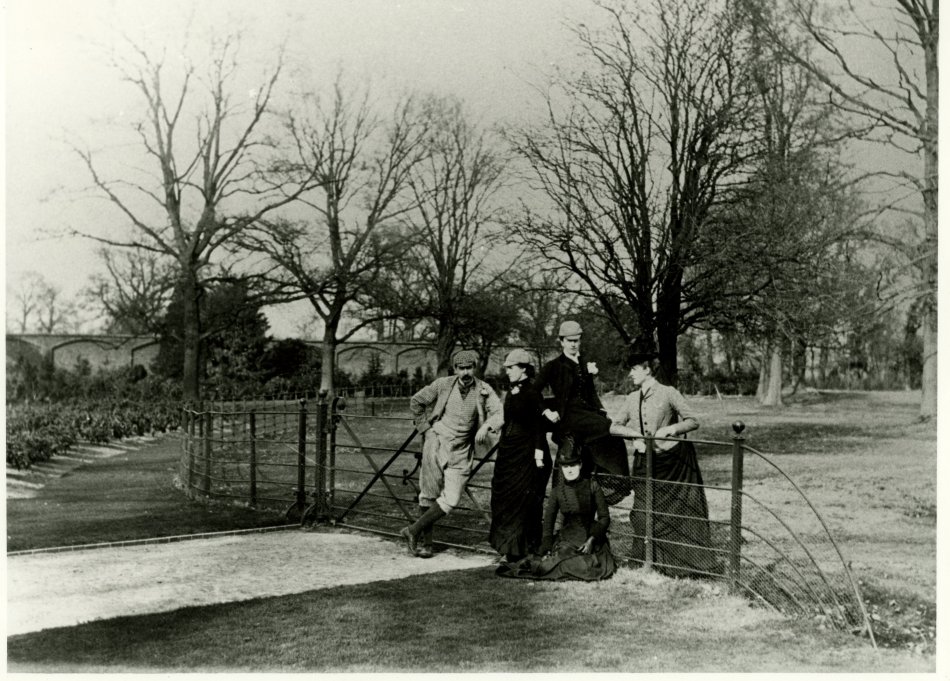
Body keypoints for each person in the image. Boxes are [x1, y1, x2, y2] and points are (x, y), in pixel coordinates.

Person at [614, 337, 718, 577]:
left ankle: (678, 562)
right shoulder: (631, 398)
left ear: (647, 370)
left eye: (634, 369)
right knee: (641, 512)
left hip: (670, 464)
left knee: (675, 512)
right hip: (643, 463)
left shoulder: (669, 393)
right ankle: (645, 559)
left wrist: (671, 429)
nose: (630, 374)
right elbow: (614, 426)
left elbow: (693, 420)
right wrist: (635, 436)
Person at [402, 349, 503, 558]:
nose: (465, 372)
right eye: (461, 368)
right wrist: (426, 430)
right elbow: (416, 401)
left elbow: (499, 412)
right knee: (428, 493)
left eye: (469, 368)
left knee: (452, 497)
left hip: (461, 450)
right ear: (455, 369)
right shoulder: (443, 384)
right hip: (436, 443)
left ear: (474, 368)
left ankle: (412, 530)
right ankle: (426, 545)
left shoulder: (484, 389)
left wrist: (486, 427)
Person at [534, 320, 638, 494]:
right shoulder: (553, 366)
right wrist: (546, 410)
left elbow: (590, 393)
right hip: (567, 415)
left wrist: (602, 409)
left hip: (586, 413)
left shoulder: (584, 363)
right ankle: (616, 481)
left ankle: (611, 480)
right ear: (562, 342)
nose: (574, 344)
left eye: (577, 340)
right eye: (570, 341)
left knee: (611, 428)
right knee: (608, 428)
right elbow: (533, 392)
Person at [495, 446, 616, 581]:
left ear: (580, 465)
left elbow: (604, 518)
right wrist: (546, 547)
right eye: (565, 466)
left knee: (591, 566)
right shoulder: (557, 491)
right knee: (557, 563)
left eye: (573, 465)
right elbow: (548, 522)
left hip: (591, 539)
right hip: (567, 540)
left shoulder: (593, 486)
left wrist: (591, 541)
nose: (569, 470)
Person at [489, 349, 552, 562]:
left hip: (526, 453)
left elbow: (538, 425)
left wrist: (538, 453)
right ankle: (510, 548)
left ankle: (521, 550)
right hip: (508, 451)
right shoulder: (512, 391)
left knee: (522, 500)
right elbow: (508, 419)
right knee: (505, 498)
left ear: (523, 368)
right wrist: (495, 426)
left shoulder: (532, 391)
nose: (507, 371)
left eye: (511, 367)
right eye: (506, 367)